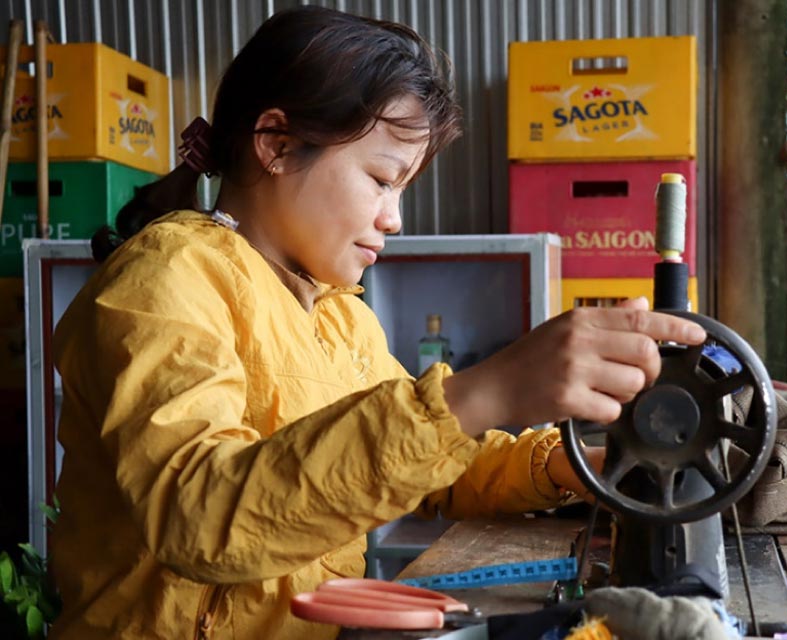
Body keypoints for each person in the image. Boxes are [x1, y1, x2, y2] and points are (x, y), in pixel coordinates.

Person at [48, 6, 706, 639]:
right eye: (382, 179)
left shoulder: (340, 319)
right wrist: (487, 389)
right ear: (276, 143)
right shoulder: (164, 281)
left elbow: (436, 467)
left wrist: (590, 461)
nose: (395, 218)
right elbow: (202, 518)